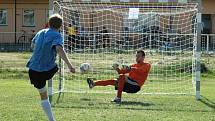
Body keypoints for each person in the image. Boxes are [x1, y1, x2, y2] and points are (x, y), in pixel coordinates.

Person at [26, 14, 75, 121]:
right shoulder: (57, 35)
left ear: (48, 23)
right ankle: (62, 72)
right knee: (55, 67)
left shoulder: (40, 32)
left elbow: (32, 46)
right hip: (47, 71)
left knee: (44, 96)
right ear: (61, 26)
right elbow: (59, 49)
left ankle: (52, 120)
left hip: (33, 70)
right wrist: (70, 66)